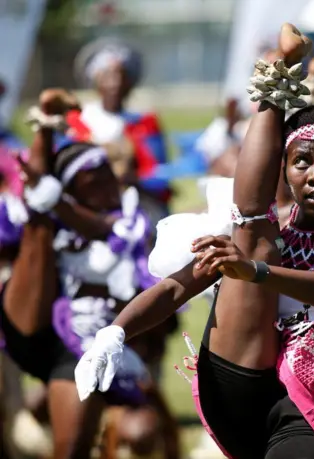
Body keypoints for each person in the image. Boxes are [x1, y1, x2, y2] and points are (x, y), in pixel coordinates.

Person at [75, 24, 314, 459]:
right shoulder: (263, 230)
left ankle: (288, 78)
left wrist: (256, 273)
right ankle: (277, 79)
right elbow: (176, 286)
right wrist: (115, 332)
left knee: (253, 245)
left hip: (312, 407)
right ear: (285, 171)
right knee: (251, 230)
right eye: (301, 163)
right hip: (238, 384)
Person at [0, 90, 177, 459]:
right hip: (48, 335)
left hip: (104, 342)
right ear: (74, 188)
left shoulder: (131, 219)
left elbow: (97, 226)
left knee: (138, 433)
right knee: (37, 225)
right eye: (92, 181)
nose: (107, 184)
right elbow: (38, 187)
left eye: (105, 175)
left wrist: (55, 200)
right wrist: (47, 126)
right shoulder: (53, 219)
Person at [70, 38, 171, 230]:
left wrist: (136, 179)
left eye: (121, 76)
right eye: (107, 76)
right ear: (96, 81)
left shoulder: (144, 123)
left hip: (138, 205)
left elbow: (159, 173)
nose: (115, 84)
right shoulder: (78, 122)